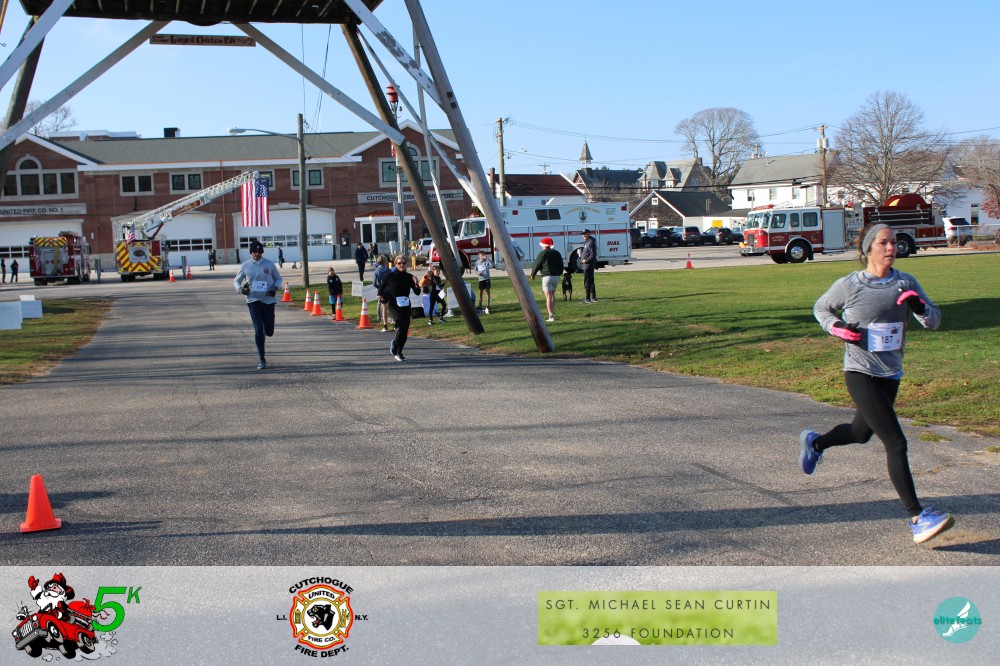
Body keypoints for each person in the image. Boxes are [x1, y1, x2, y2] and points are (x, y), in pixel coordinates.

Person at [800, 223, 952, 545]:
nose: (891, 248)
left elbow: (934, 320)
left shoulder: (906, 282)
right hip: (860, 372)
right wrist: (837, 327)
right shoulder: (850, 285)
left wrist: (920, 308)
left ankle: (816, 444)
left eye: (894, 242)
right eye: (883, 242)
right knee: (896, 442)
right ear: (868, 249)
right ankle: (917, 518)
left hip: (890, 374)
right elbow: (821, 308)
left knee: (860, 434)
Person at [234, 240, 283, 370]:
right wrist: (241, 289)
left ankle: (267, 329)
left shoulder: (269, 264)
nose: (257, 254)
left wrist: (275, 288)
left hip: (268, 300)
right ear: (251, 252)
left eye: (259, 252)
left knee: (269, 331)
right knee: (258, 330)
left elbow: (278, 278)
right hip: (253, 300)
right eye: (255, 252)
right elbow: (237, 281)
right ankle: (262, 359)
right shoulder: (245, 266)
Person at [378, 255, 420, 361]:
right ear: (396, 264)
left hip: (406, 306)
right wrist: (379, 295)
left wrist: (416, 283)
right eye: (399, 263)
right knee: (401, 327)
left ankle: (399, 352)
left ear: (407, 264)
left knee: (405, 330)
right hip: (393, 305)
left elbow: (417, 292)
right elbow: (381, 286)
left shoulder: (409, 277)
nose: (402, 265)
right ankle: (396, 345)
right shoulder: (390, 276)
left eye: (404, 263)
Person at [529, 237, 563, 322]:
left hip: (547, 277)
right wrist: (559, 273)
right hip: (556, 277)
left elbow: (537, 264)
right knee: (552, 295)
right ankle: (553, 312)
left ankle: (551, 316)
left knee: (548, 297)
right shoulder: (557, 253)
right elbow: (561, 264)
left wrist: (533, 274)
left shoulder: (542, 253)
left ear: (544, 245)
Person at [372, 255, 392, 331]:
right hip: (390, 290)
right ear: (385, 262)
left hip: (382, 291)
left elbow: (374, 283)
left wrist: (379, 287)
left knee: (384, 308)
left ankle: (385, 326)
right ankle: (395, 324)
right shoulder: (389, 270)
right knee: (392, 307)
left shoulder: (377, 271)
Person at [579, 228, 597, 303]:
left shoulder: (590, 242)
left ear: (589, 233)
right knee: (591, 280)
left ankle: (587, 298)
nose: (584, 235)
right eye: (583, 234)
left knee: (587, 281)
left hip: (588, 265)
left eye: (585, 234)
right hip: (587, 265)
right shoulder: (587, 241)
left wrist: (586, 260)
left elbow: (593, 254)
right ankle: (593, 297)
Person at [474, 250, 494, 314]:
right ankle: (480, 305)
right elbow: (475, 270)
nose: (482, 256)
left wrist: (488, 259)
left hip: (487, 278)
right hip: (481, 279)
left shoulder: (486, 261)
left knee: (487, 291)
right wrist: (478, 273)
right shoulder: (477, 262)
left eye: (483, 255)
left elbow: (492, 265)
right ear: (479, 256)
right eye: (481, 255)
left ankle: (488, 305)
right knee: (480, 292)